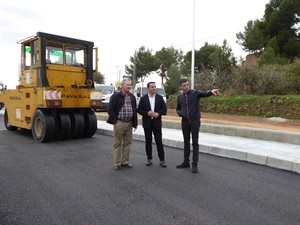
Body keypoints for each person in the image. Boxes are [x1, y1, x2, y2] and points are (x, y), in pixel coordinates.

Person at [176, 77, 220, 173]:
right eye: (184, 85)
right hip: (184, 121)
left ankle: (194, 164)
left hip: (195, 121)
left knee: (195, 142)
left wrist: (211, 92)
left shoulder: (195, 93)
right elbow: (178, 108)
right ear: (180, 87)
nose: (186, 87)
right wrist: (181, 113)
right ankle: (186, 161)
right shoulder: (180, 97)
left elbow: (205, 94)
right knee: (186, 142)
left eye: (187, 85)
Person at [107, 78, 138, 171]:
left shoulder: (132, 97)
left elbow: (134, 110)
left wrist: (135, 123)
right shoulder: (115, 96)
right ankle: (117, 163)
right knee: (117, 143)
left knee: (127, 143)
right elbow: (110, 110)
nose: (129, 86)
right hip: (119, 123)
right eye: (127, 84)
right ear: (122, 85)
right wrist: (115, 121)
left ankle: (125, 161)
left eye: (130, 85)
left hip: (129, 123)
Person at [137, 82, 167, 168]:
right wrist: (147, 113)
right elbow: (139, 110)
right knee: (148, 141)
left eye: (155, 87)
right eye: (152, 87)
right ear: (148, 88)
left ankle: (162, 160)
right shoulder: (143, 99)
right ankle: (149, 158)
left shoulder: (160, 98)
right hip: (147, 123)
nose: (154, 88)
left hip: (157, 123)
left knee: (159, 141)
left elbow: (164, 109)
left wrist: (158, 114)